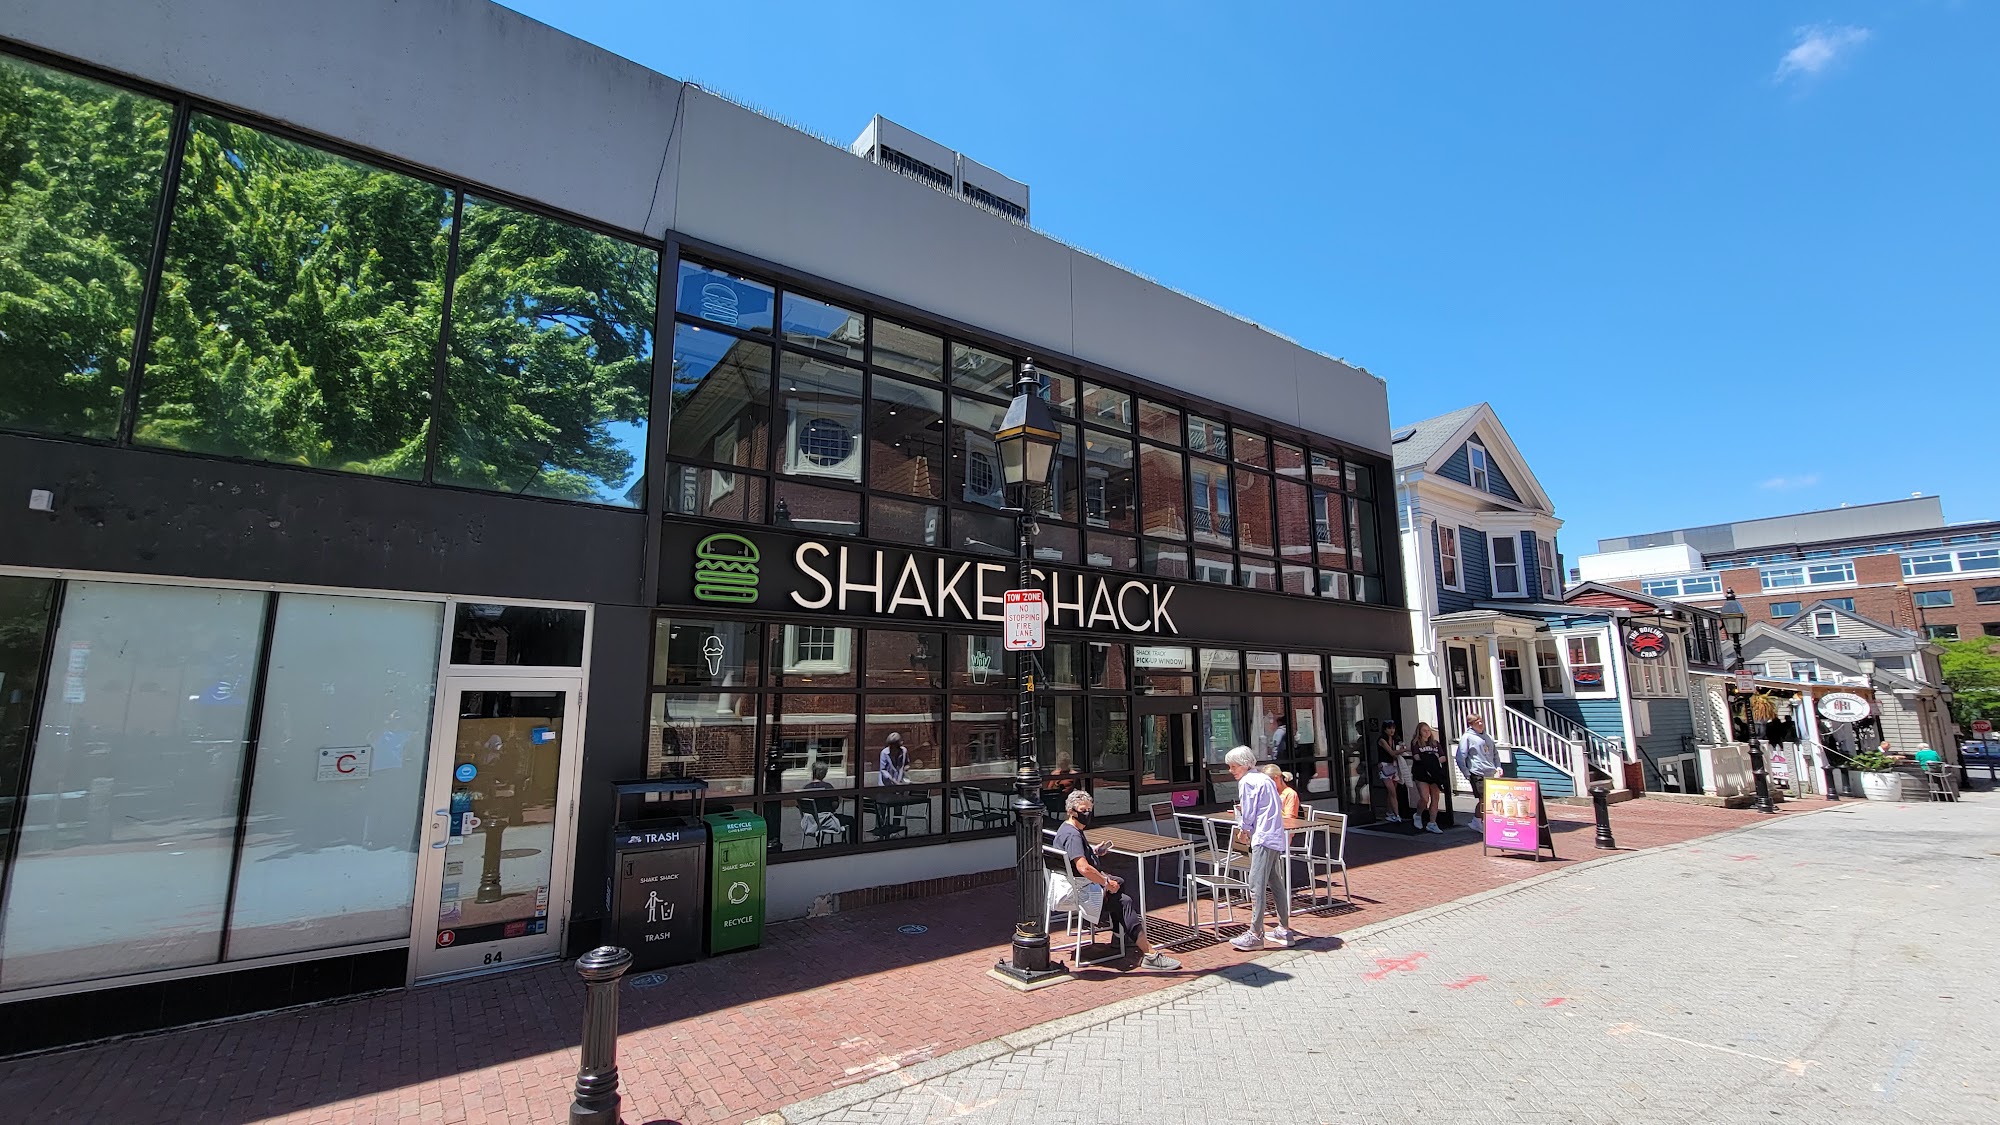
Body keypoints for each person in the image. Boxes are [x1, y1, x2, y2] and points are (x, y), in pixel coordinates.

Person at [1052, 790, 1182, 971]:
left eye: (1090, 809)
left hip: (1075, 884)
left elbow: (1078, 856)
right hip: (1082, 891)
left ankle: (1120, 935)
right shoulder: (1073, 835)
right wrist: (1106, 883)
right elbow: (1083, 868)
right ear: (1071, 811)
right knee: (1124, 901)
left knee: (1119, 882)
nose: (1087, 813)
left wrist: (1094, 851)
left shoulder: (1067, 829)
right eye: (1083, 810)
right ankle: (1150, 954)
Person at [1227, 746, 1299, 951]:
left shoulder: (1247, 781)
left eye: (1233, 766)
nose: (1231, 770)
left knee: (1256, 883)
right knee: (1275, 881)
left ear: (1244, 764)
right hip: (1275, 836)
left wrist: (1244, 829)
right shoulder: (1264, 779)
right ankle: (1284, 929)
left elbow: (1249, 811)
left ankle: (1255, 933)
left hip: (1263, 837)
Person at [1455, 715, 1502, 830]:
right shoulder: (1467, 737)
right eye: (1477, 722)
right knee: (1483, 799)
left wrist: (1498, 767)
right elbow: (1460, 757)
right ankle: (1476, 820)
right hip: (1477, 772)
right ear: (1471, 724)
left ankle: (1484, 820)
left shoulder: (1487, 737)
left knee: (1491, 798)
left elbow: (1495, 753)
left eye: (1481, 721)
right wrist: (1466, 773)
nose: (1480, 724)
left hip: (1490, 772)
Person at [1410, 722, 1446, 834]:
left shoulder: (1435, 743)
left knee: (1435, 797)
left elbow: (1443, 757)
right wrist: (1432, 759)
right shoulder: (1416, 743)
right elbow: (1417, 757)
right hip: (1421, 773)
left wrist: (1432, 761)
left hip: (1434, 773)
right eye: (1424, 730)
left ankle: (1432, 823)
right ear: (1419, 732)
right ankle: (1418, 815)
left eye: (1428, 730)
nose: (1427, 732)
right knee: (1424, 798)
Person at [1376, 722, 1405, 823]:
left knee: (1392, 791)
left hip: (1394, 766)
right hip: (1385, 766)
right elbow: (1391, 752)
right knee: (1392, 791)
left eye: (1393, 728)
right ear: (1384, 729)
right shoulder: (1382, 740)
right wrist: (1404, 750)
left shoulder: (1396, 739)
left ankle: (1389, 812)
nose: (1392, 730)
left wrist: (1401, 748)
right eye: (1389, 728)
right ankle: (1396, 814)